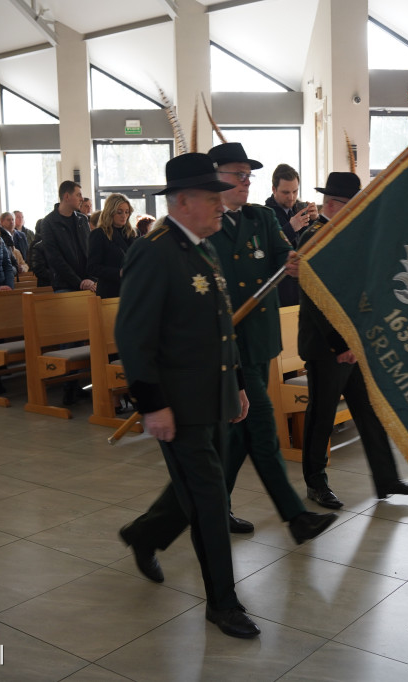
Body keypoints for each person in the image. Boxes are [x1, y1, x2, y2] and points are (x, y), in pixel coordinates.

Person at [115, 153, 258, 639]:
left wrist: (237, 383)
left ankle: (143, 534)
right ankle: (223, 603)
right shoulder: (153, 252)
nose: (221, 203)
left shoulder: (204, 248)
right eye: (211, 196)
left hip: (213, 396)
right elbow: (133, 336)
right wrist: (152, 404)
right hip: (177, 405)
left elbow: (221, 327)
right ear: (182, 202)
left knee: (194, 490)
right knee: (211, 501)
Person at [206, 141, 337, 537]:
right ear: (216, 178)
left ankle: (206, 508)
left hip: (260, 341)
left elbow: (284, 254)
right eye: (238, 175)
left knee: (240, 434)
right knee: (260, 426)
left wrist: (293, 262)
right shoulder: (206, 226)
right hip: (228, 346)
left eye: (249, 175)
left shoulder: (260, 218)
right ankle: (296, 516)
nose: (246, 182)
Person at [299, 172, 408, 509]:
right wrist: (340, 345)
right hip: (327, 347)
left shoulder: (344, 234)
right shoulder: (315, 237)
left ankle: (386, 478)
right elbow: (316, 298)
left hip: (354, 344)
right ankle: (315, 483)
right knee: (322, 416)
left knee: (368, 411)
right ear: (333, 204)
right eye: (352, 205)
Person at [264, 163, 317, 306]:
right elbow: (267, 249)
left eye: (295, 191)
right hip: (281, 290)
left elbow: (311, 245)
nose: (291, 197)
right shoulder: (265, 215)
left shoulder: (299, 209)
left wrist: (314, 220)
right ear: (274, 189)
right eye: (286, 192)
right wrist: (290, 228)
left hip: (302, 285)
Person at [40, 181, 95, 295]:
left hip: (88, 283)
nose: (82, 199)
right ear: (66, 196)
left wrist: (90, 279)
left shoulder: (82, 219)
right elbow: (55, 258)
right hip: (65, 284)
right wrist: (79, 282)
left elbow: (90, 251)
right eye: (78, 195)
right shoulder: (48, 222)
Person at [87, 193, 134, 298]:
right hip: (110, 292)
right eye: (119, 212)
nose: (124, 216)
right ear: (110, 212)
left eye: (127, 212)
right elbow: (92, 267)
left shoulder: (132, 234)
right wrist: (118, 273)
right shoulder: (99, 234)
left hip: (131, 290)